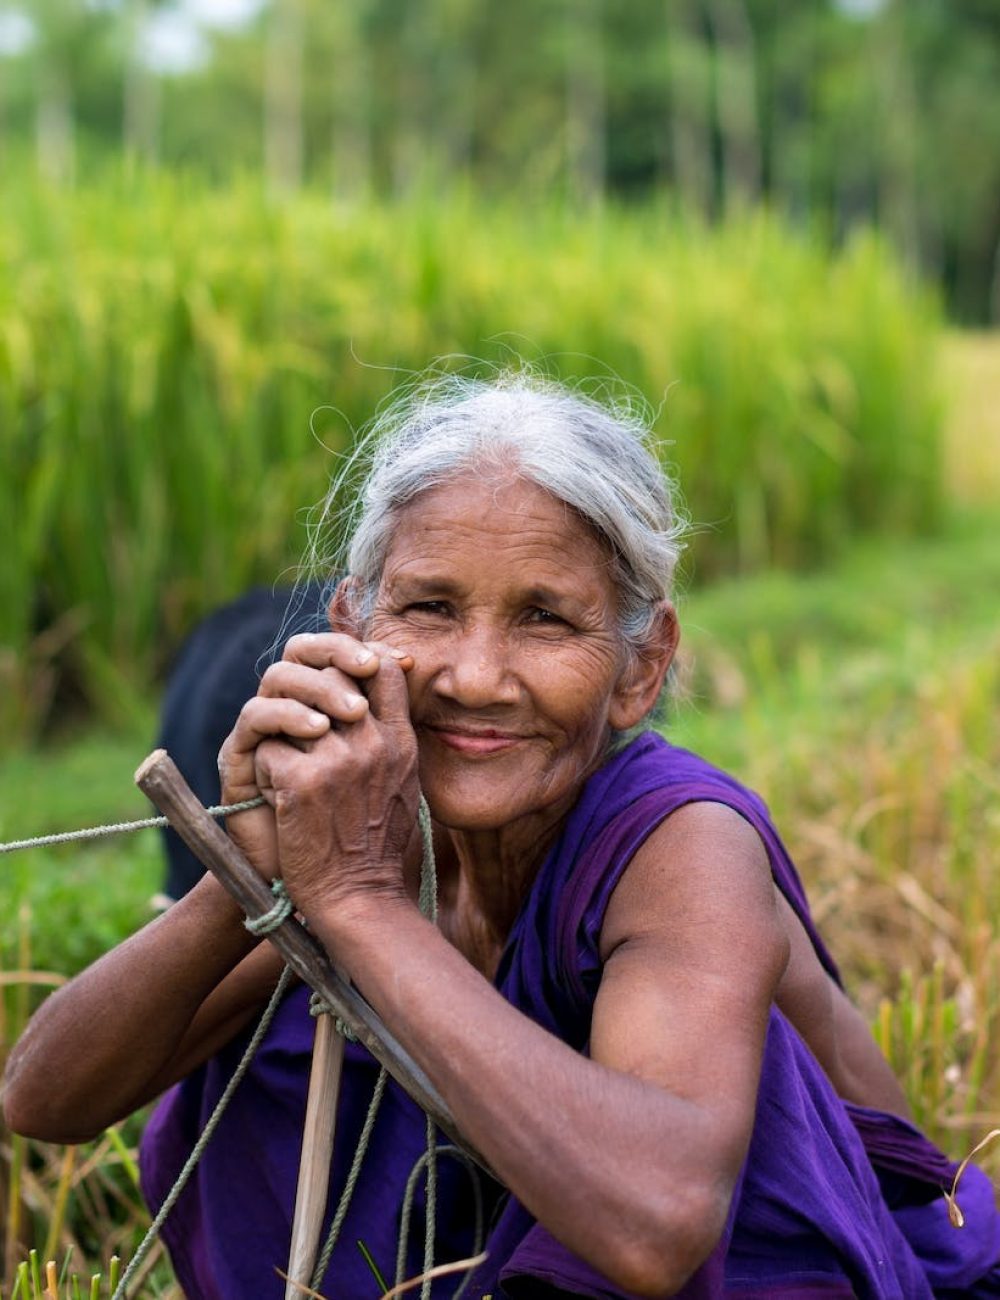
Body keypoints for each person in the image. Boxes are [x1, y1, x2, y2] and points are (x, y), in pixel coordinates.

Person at [4, 372, 999, 1299]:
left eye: (546, 620)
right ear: (352, 622)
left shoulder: (678, 842)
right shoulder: (372, 820)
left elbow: (660, 1222)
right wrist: (255, 874)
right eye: (430, 606)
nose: (476, 675)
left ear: (640, 667)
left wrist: (358, 906)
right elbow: (45, 1099)